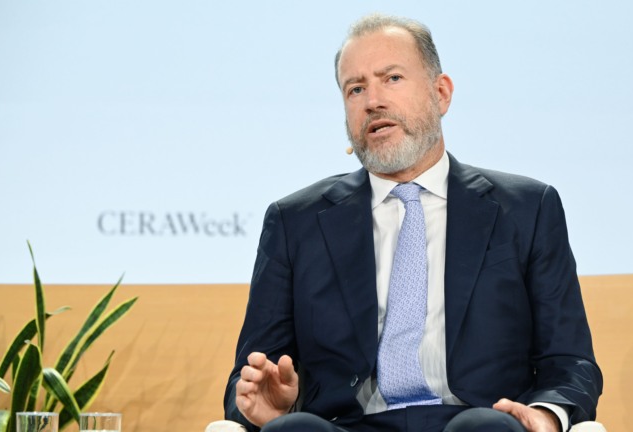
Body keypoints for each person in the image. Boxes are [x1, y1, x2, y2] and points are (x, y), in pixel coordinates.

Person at [225, 13, 602, 432]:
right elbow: (248, 375)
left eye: (392, 79)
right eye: (355, 88)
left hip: (478, 421)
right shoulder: (295, 222)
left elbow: (570, 362)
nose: (372, 101)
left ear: (441, 94)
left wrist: (546, 417)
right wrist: (273, 403)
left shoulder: (527, 209)